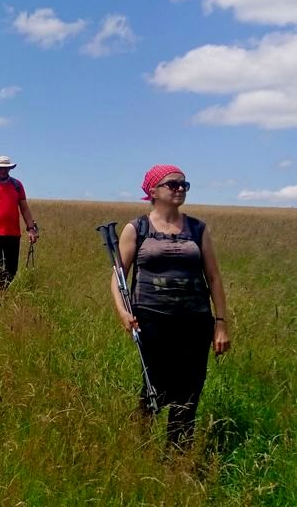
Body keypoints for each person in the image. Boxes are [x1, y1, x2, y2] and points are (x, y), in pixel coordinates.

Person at [109, 164, 231, 449]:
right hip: (151, 319)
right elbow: (117, 279)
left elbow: (213, 277)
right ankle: (140, 446)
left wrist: (221, 323)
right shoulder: (136, 228)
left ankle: (178, 453)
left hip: (195, 319)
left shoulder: (198, 228)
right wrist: (122, 312)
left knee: (190, 388)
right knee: (155, 386)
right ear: (153, 191)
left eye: (184, 185)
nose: (180, 189)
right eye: (172, 185)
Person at [0, 155, 38, 288]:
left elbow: (24, 208)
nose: (2, 171)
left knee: (12, 268)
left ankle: (2, 289)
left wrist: (31, 228)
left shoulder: (17, 185)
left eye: (5, 168)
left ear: (10, 169)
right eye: (0, 168)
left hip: (13, 232)